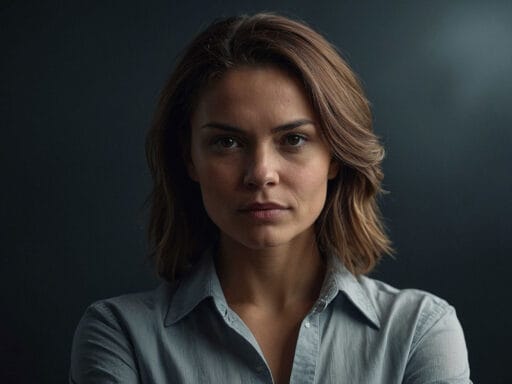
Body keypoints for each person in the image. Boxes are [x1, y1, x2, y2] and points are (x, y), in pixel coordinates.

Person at [70, 13, 472, 384]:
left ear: (335, 156)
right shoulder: (120, 334)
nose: (261, 172)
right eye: (226, 142)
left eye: (293, 139)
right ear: (189, 158)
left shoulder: (420, 330)